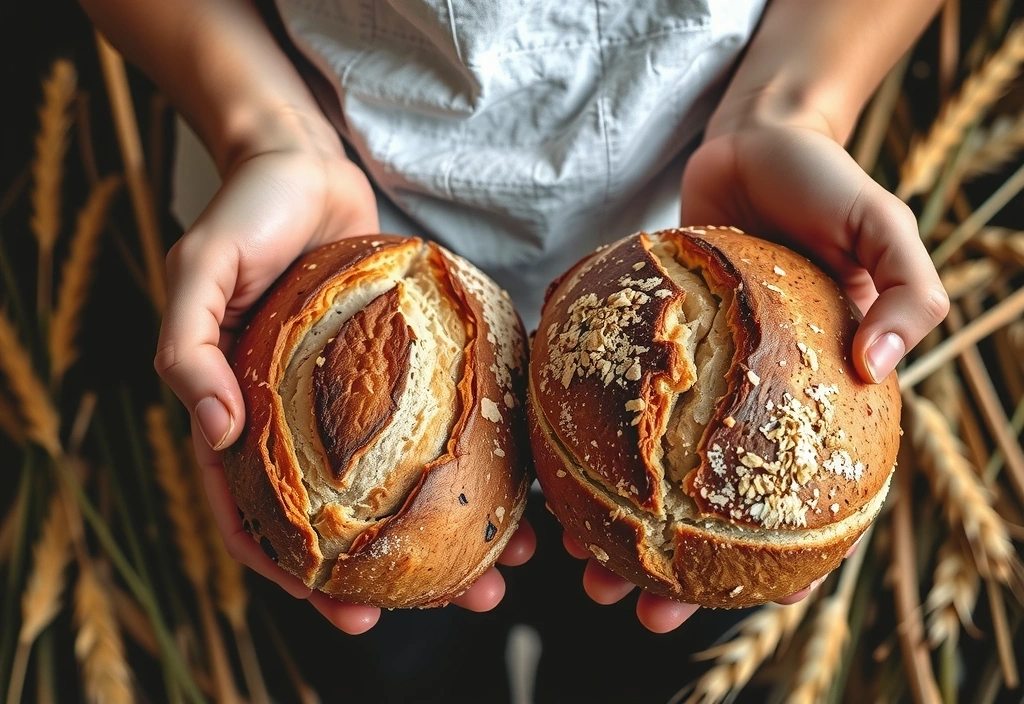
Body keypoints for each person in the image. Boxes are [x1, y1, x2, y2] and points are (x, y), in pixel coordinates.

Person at [79, 0, 949, 640]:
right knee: (388, 660)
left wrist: (793, 104)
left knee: (638, 665)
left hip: (738, 226)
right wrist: (265, 129)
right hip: (317, 238)